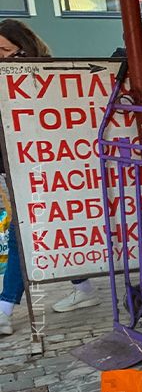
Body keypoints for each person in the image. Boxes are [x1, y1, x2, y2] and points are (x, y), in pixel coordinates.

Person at [0, 20, 100, 335]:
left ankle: (4, 308)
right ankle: (83, 289)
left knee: (25, 234)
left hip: (45, 168)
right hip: (17, 168)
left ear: (23, 50)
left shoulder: (43, 79)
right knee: (48, 232)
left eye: (4, 51)